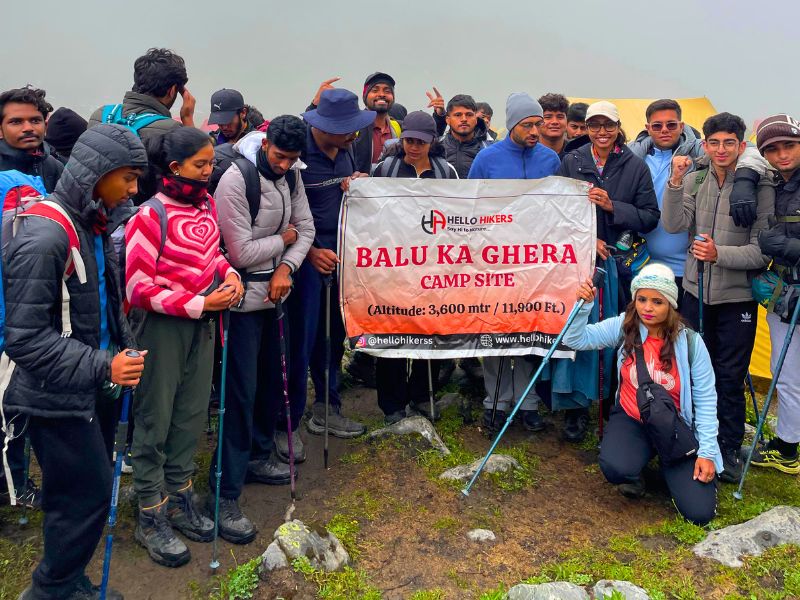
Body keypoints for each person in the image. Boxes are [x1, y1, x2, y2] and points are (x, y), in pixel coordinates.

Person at [4, 123, 148, 600]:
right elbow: (23, 340)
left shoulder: (93, 221)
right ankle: (48, 590)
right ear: (96, 173)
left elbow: (105, 302)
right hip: (54, 395)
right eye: (126, 177)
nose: (133, 189)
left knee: (80, 496)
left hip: (87, 385)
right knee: (84, 497)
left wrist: (120, 351)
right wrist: (105, 366)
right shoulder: (46, 237)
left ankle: (71, 584)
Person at [125, 127, 244, 568]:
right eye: (201, 165)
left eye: (212, 163)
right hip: (162, 329)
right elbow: (138, 288)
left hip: (204, 323)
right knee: (156, 416)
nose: (210, 171)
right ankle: (150, 511)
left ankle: (180, 495)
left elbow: (210, 254)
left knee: (192, 413)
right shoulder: (149, 215)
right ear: (175, 168)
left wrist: (228, 273)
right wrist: (198, 303)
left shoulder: (206, 204)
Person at [210, 116, 315, 542]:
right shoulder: (236, 181)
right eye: (279, 156)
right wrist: (283, 240)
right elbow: (240, 250)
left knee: (271, 384)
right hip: (239, 303)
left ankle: (256, 456)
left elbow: (306, 228)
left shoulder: (292, 177)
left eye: (293, 159)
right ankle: (225, 489)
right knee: (239, 393)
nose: (285, 164)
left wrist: (286, 267)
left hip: (276, 297)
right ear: (265, 143)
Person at [662, 112, 774, 484]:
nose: (721, 149)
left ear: (742, 146)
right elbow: (675, 224)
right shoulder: (695, 178)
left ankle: (727, 446)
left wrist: (719, 254)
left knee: (729, 377)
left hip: (737, 297)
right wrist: (674, 183)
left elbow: (762, 251)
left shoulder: (761, 188)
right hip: (695, 291)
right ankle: (694, 438)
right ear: (705, 145)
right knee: (693, 369)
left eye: (729, 143)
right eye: (714, 142)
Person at [566, 264, 720, 525]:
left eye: (657, 301)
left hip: (675, 427)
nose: (648, 308)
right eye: (642, 299)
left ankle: (671, 470)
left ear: (670, 304)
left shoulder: (691, 342)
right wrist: (583, 307)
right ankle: (637, 468)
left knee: (699, 514)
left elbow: (706, 401)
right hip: (633, 419)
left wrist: (707, 453)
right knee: (616, 467)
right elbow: (575, 339)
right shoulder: (625, 327)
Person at [558, 100, 659, 442]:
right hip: (579, 265)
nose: (601, 132)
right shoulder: (572, 161)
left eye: (608, 125)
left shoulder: (634, 165)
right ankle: (575, 409)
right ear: (586, 128)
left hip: (619, 268)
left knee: (615, 336)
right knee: (577, 331)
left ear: (618, 127)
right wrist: (586, 241)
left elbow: (649, 216)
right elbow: (555, 213)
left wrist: (612, 206)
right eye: (594, 125)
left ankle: (614, 406)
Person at [468, 93, 560, 432]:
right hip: (494, 261)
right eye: (528, 125)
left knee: (528, 333)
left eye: (538, 123)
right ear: (512, 125)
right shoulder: (487, 158)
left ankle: (528, 402)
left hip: (535, 262)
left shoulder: (550, 159)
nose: (536, 130)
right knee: (493, 332)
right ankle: (494, 401)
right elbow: (471, 207)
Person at [287, 88, 372, 441]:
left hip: (340, 258)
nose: (354, 134)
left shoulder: (346, 149)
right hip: (303, 262)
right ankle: (285, 425)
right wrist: (308, 253)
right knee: (299, 342)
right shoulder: (296, 154)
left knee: (334, 336)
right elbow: (279, 214)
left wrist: (360, 184)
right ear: (323, 126)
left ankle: (327, 407)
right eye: (346, 128)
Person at [630, 100, 772, 302]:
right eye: (657, 125)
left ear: (681, 126)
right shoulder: (632, 156)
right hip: (644, 266)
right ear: (647, 128)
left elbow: (752, 150)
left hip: (691, 273)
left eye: (671, 125)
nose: (664, 130)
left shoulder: (697, 154)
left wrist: (745, 179)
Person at [371, 112, 457, 422]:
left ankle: (423, 395)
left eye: (420, 141)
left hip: (434, 267)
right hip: (393, 266)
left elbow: (458, 216)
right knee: (393, 331)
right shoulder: (386, 168)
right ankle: (392, 405)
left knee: (429, 330)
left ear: (433, 141)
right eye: (408, 140)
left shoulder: (446, 172)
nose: (413, 147)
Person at [748, 114, 800, 474]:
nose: (782, 154)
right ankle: (787, 447)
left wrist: (789, 246)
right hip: (785, 294)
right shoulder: (773, 182)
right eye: (773, 149)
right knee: (783, 371)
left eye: (789, 146)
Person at [89, 48, 195, 203]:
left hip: (96, 212)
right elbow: (194, 177)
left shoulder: (100, 115)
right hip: (139, 217)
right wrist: (187, 120)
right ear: (173, 90)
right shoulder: (171, 130)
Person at [0, 86, 63, 193]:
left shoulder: (55, 168)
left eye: (35, 121)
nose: (28, 128)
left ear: (46, 126)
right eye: (16, 122)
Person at [439, 94, 493, 179]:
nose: (464, 119)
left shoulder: (490, 150)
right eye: (458, 115)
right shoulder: (437, 148)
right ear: (448, 120)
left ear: (476, 119)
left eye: (469, 114)